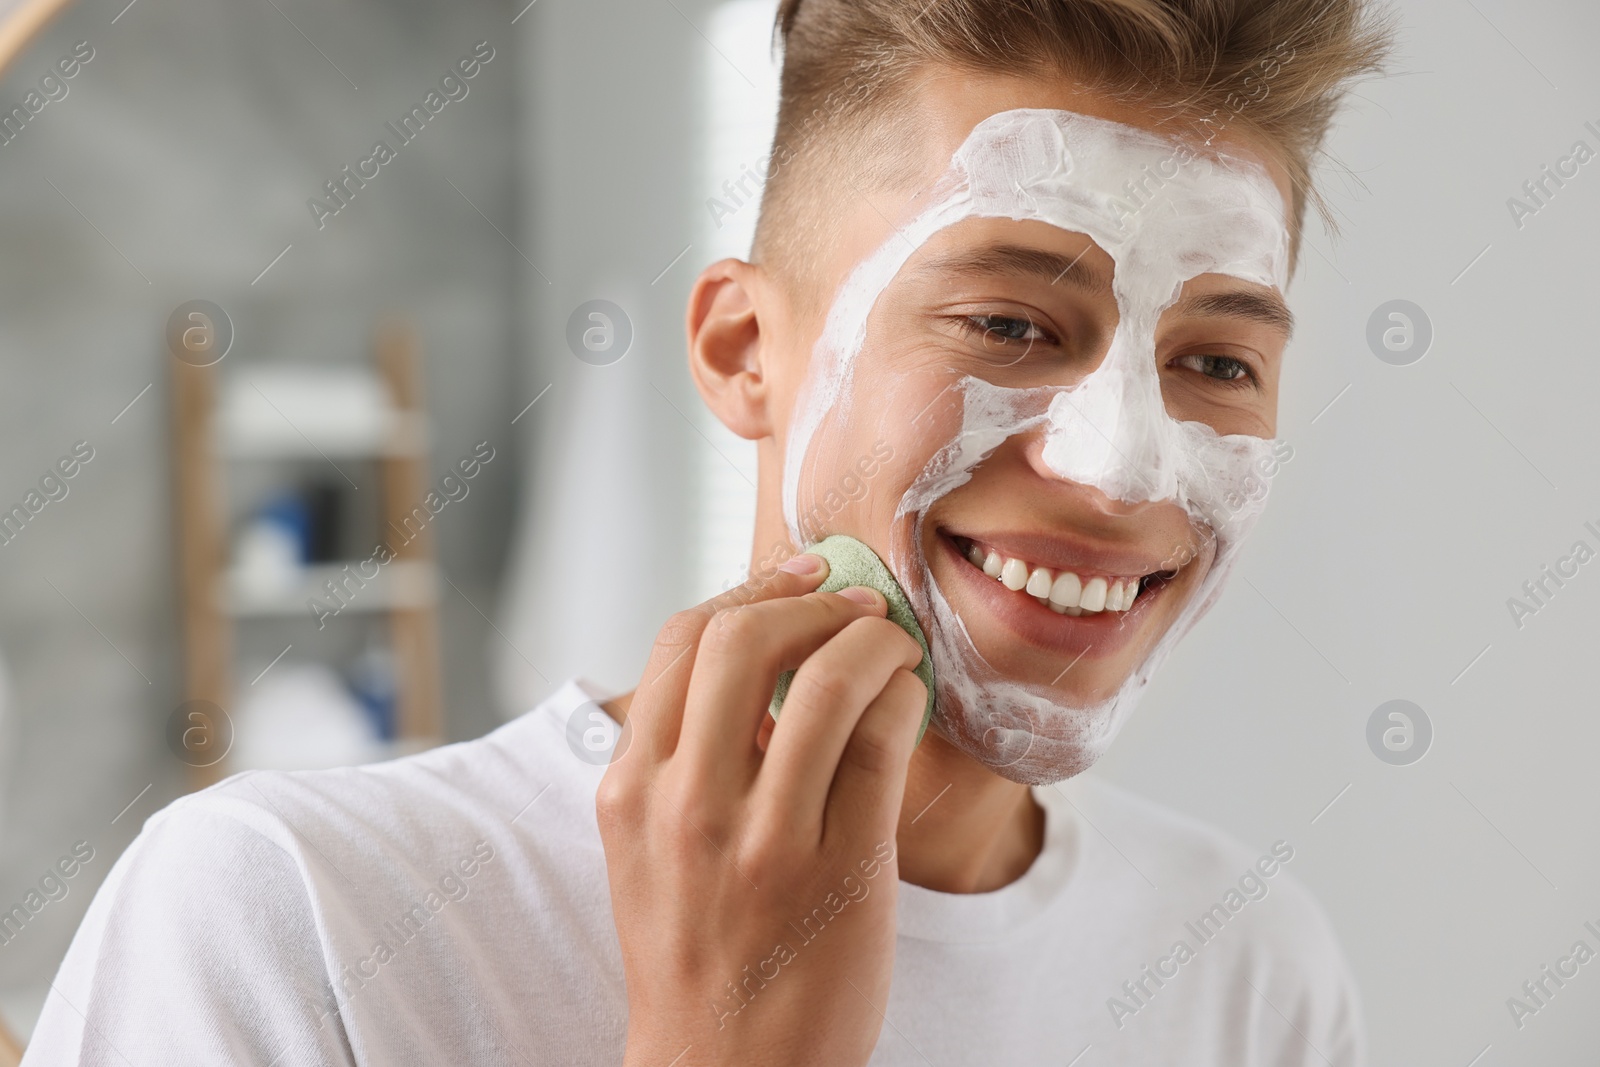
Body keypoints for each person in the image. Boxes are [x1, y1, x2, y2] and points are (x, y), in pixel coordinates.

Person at [25, 1, 1393, 1063]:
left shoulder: (1251, 969)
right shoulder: (283, 918)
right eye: (1010, 325)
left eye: (1217, 363)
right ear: (745, 349)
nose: (1117, 473)